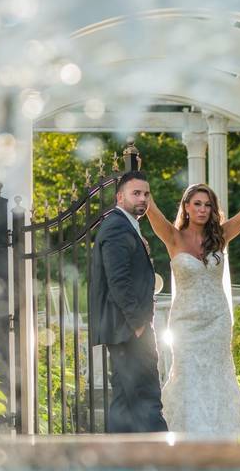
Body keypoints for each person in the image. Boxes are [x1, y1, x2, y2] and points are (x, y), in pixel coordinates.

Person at [145, 155, 240, 435]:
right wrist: (135, 172)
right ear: (187, 207)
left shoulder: (221, 236)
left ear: (213, 209)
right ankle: (188, 442)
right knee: (187, 377)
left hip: (217, 321)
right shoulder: (173, 238)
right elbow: (150, 207)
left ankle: (222, 440)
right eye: (197, 204)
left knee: (218, 377)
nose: (202, 209)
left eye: (207, 204)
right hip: (185, 324)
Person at [88, 170, 168, 433]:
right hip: (129, 329)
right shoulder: (117, 226)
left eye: (146, 194)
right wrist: (138, 324)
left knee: (123, 401)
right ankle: (165, 459)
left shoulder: (126, 225)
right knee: (147, 397)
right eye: (136, 193)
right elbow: (118, 280)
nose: (142, 198)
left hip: (125, 329)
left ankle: (117, 459)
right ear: (120, 197)